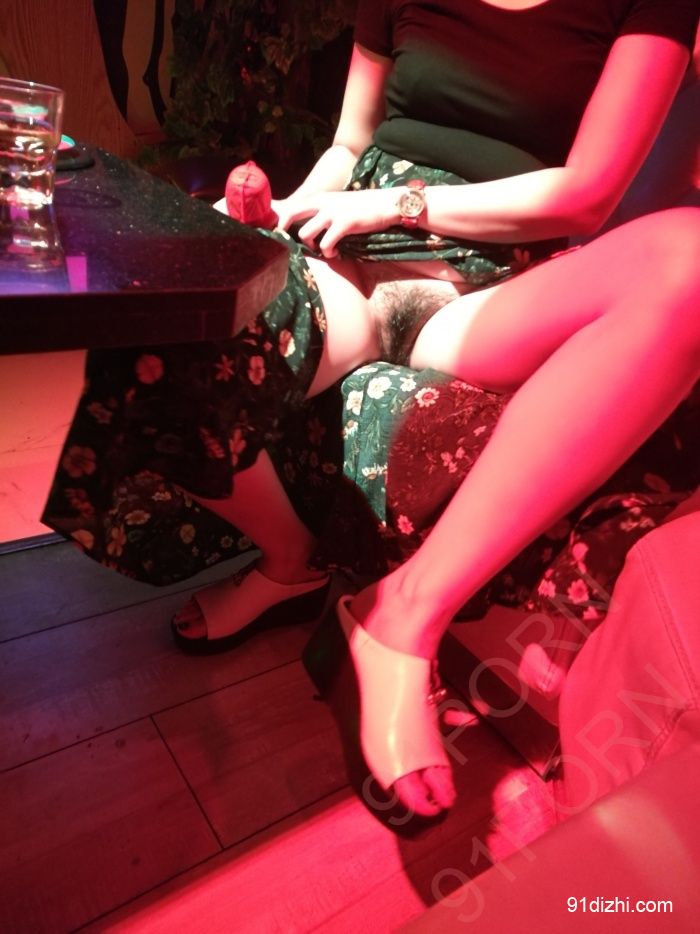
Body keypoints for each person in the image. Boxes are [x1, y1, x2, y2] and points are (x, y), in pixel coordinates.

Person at [43, 0, 700, 818]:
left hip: (488, 281)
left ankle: (404, 614)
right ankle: (291, 560)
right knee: (168, 325)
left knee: (689, 261)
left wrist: (402, 205)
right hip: (346, 251)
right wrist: (285, 212)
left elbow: (587, 195)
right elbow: (350, 145)